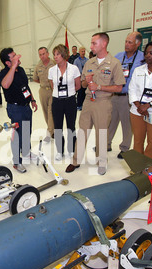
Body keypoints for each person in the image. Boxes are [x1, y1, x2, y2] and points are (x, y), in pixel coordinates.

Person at [66, 33, 125, 175]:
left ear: (104, 44)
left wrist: (99, 87)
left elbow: (119, 87)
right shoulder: (89, 63)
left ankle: (102, 162)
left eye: (94, 43)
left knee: (102, 133)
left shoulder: (114, 63)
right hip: (88, 101)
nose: (91, 46)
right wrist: (87, 81)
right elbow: (84, 83)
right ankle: (76, 160)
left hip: (103, 102)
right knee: (82, 131)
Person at [0, 48, 38, 173]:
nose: (17, 58)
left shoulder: (20, 70)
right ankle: (16, 161)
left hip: (26, 106)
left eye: (16, 55)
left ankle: (26, 152)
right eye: (13, 57)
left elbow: (25, 86)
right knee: (17, 135)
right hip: (15, 108)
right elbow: (5, 85)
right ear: (7, 62)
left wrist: (32, 99)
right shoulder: (4, 73)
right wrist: (12, 67)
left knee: (27, 131)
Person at [108, 32, 145, 159]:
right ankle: (107, 143)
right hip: (114, 95)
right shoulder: (118, 56)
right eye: (126, 41)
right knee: (110, 121)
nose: (127, 44)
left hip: (129, 97)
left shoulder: (142, 58)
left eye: (130, 42)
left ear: (138, 43)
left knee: (127, 124)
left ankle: (124, 148)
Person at [48, 44, 81, 161]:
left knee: (71, 126)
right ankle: (59, 151)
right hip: (57, 101)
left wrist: (69, 92)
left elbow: (78, 85)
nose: (55, 57)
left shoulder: (74, 68)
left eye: (57, 54)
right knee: (58, 127)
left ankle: (72, 149)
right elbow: (53, 86)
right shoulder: (52, 70)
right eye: (54, 55)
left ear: (63, 55)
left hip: (70, 101)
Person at [33, 47, 55, 142]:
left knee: (51, 112)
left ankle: (49, 133)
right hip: (42, 91)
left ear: (48, 53)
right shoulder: (38, 66)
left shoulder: (54, 64)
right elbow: (35, 78)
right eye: (40, 54)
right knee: (46, 113)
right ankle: (52, 130)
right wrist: (43, 84)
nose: (42, 56)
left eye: (43, 54)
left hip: (52, 90)